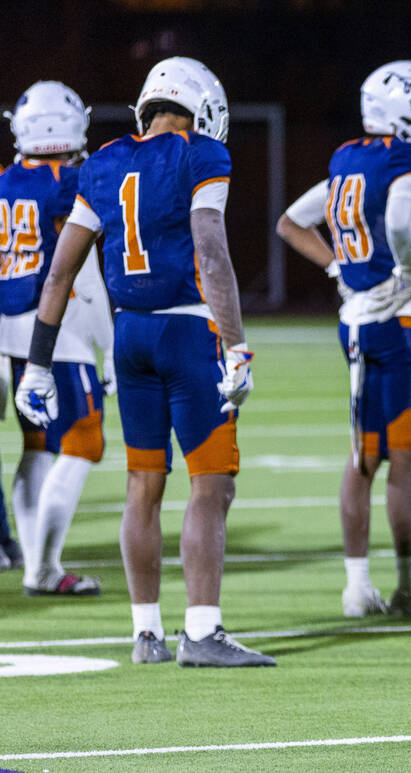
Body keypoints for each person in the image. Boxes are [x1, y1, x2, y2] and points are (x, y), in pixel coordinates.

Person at [15, 56, 274, 667]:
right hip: (187, 334)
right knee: (211, 485)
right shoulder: (201, 154)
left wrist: (37, 366)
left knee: (142, 484)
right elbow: (210, 250)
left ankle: (146, 634)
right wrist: (236, 345)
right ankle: (204, 632)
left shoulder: (101, 162)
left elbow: (59, 273)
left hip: (130, 338)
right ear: (200, 105)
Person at [276, 60, 411, 617]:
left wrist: (339, 268)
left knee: (363, 453)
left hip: (358, 320)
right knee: (407, 455)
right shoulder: (407, 160)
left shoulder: (348, 157)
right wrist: (407, 270)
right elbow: (399, 222)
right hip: (405, 320)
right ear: (403, 110)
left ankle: (358, 588)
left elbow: (291, 222)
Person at [0, 81, 113, 597]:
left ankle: (35, 562)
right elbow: (81, 273)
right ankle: (43, 567)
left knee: (36, 446)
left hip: (6, 328)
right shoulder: (70, 183)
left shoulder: (4, 182)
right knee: (85, 440)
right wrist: (108, 348)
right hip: (53, 328)